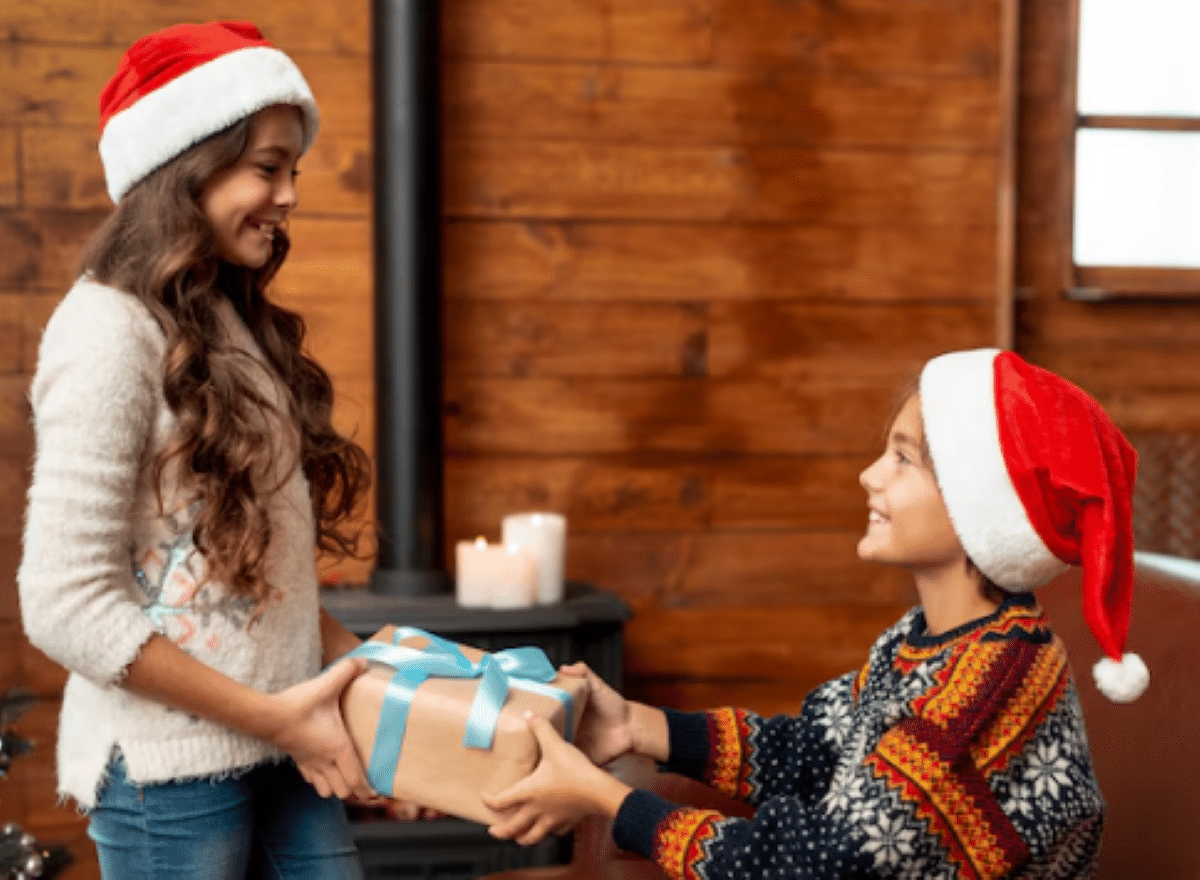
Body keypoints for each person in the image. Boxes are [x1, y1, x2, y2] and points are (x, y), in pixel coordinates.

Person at [483, 348, 1150, 879]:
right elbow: (812, 751)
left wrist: (607, 801)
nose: (870, 474)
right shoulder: (926, 642)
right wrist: (635, 726)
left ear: (978, 506)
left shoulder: (990, 690)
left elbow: (813, 864)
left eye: (904, 458)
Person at [17, 20, 393, 879]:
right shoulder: (107, 332)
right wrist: (276, 718)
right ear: (184, 165)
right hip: (171, 779)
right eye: (267, 166)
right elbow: (63, 601)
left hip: (286, 742)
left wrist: (378, 660)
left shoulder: (227, 323)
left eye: (291, 169)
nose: (291, 194)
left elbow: (250, 581)